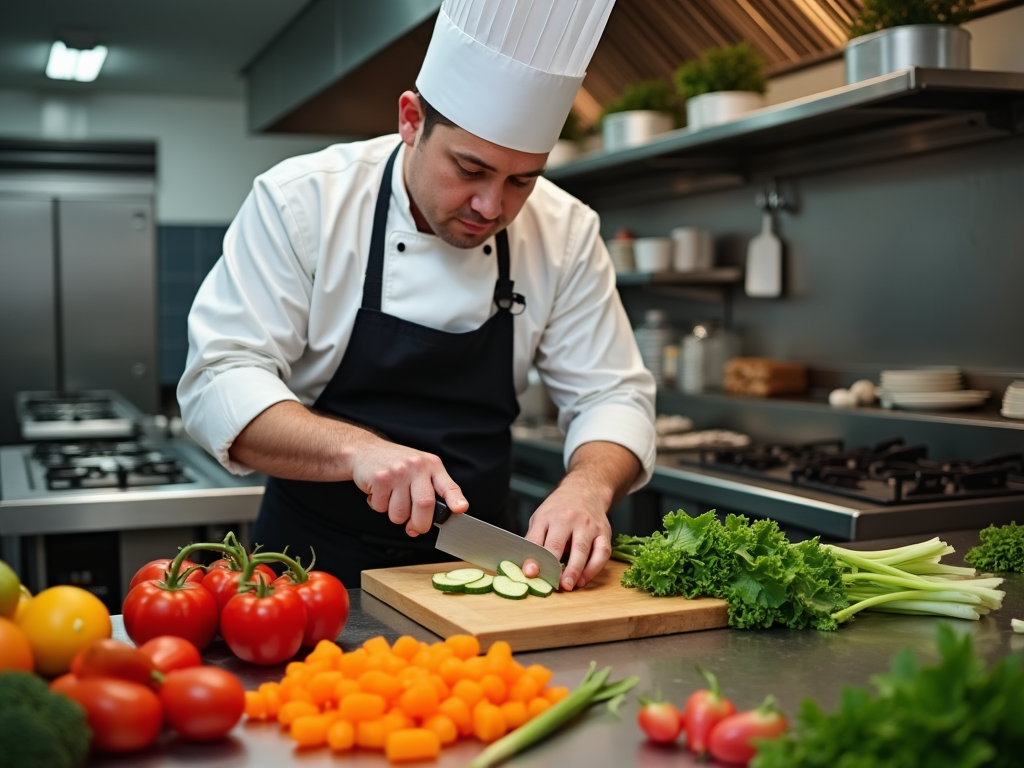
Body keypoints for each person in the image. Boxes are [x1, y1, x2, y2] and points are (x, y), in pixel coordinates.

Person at [178, 0, 656, 592]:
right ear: (411, 120)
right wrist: (356, 451)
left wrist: (587, 485)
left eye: (521, 180)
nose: (491, 206)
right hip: (306, 568)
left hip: (481, 565)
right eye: (470, 169)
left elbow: (613, 395)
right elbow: (218, 380)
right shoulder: (302, 201)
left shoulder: (567, 231)